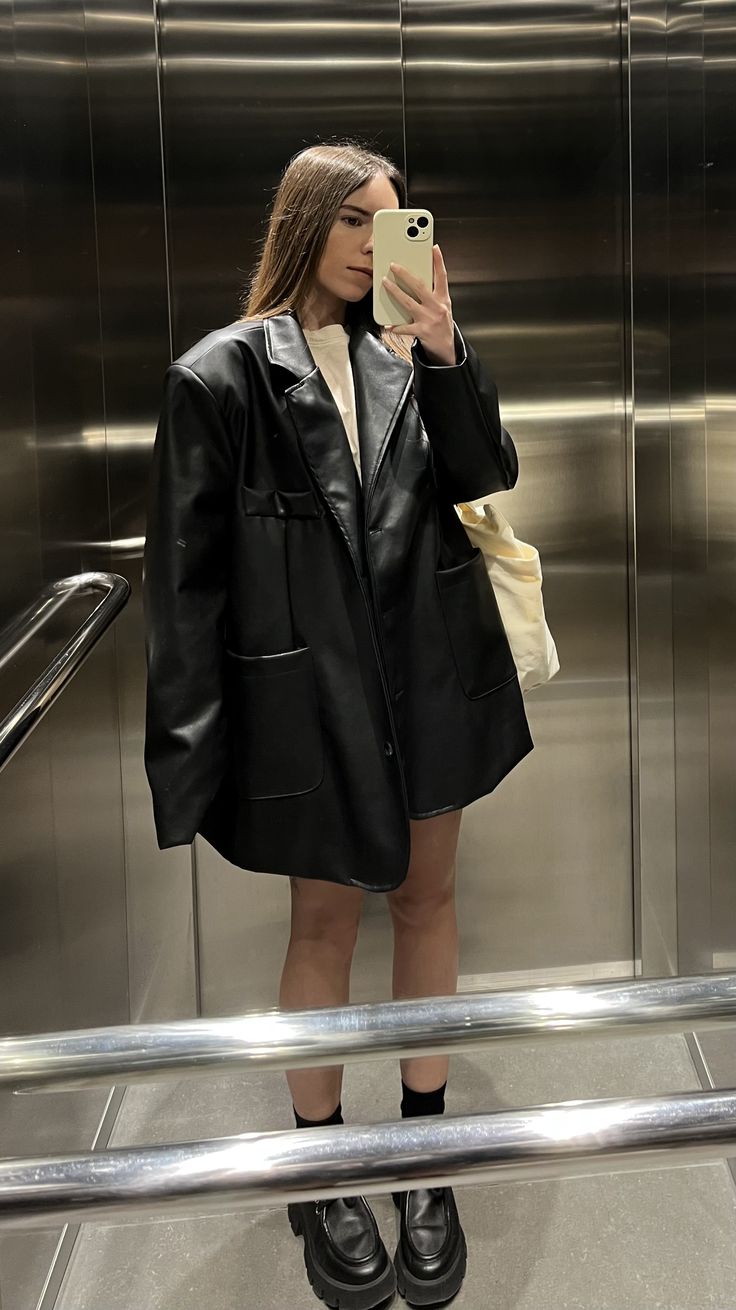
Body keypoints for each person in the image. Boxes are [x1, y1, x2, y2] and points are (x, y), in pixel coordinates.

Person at [143, 139, 534, 1309]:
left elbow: (487, 471)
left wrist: (448, 349)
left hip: (432, 673)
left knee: (426, 897)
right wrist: (191, 753)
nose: (378, 244)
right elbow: (185, 585)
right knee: (322, 921)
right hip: (305, 696)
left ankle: (425, 1149)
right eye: (358, 222)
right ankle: (318, 1164)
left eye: (397, 223)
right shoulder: (222, 375)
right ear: (305, 224)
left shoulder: (414, 355)